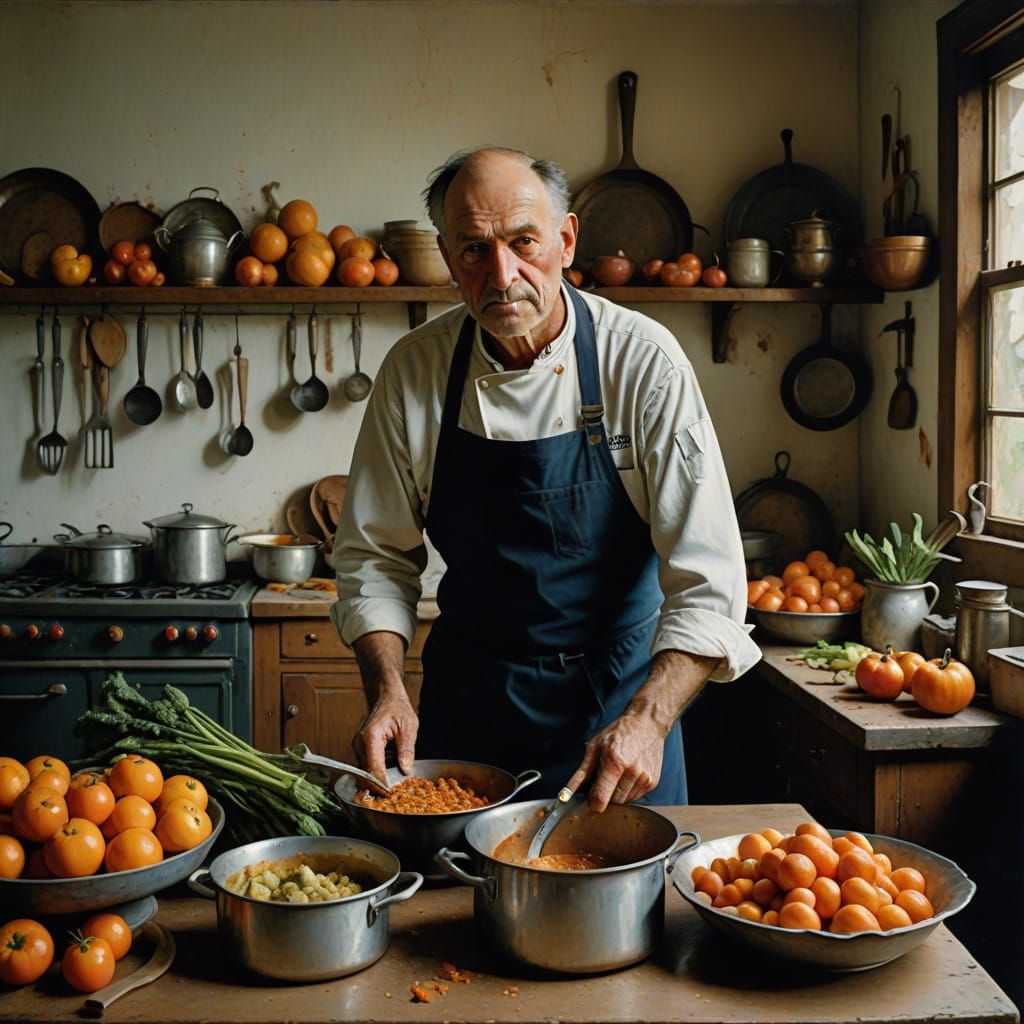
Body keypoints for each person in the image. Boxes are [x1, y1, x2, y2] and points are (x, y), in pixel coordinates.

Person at [331, 146, 760, 811]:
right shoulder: (414, 373)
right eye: (474, 250)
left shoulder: (642, 363)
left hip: (618, 715)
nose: (502, 275)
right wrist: (386, 690)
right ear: (447, 258)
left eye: (523, 242)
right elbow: (373, 557)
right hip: (469, 715)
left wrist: (648, 722)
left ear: (566, 240)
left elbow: (709, 578)